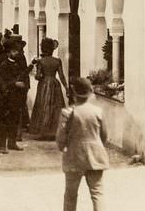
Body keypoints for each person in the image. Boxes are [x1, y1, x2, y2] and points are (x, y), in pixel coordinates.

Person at [56, 77, 109, 211]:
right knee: (97, 193)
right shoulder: (98, 112)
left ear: (73, 93)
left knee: (70, 195)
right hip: (95, 156)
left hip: (74, 157)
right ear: (90, 93)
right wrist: (97, 146)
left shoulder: (67, 112)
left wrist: (62, 147)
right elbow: (104, 136)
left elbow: (61, 138)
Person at [29, 37, 68, 139]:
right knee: (55, 106)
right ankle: (54, 131)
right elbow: (62, 76)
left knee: (43, 106)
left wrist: (39, 73)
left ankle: (43, 131)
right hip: (55, 84)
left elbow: (37, 76)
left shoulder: (41, 61)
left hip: (44, 84)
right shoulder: (57, 60)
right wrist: (67, 87)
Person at [0, 39, 29, 152]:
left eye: (17, 52)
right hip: (7, 97)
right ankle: (1, 145)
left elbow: (22, 74)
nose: (17, 53)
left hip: (16, 97)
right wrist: (15, 83)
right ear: (9, 52)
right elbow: (1, 81)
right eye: (14, 51)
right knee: (5, 120)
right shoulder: (4, 65)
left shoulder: (17, 63)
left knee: (14, 120)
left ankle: (12, 142)